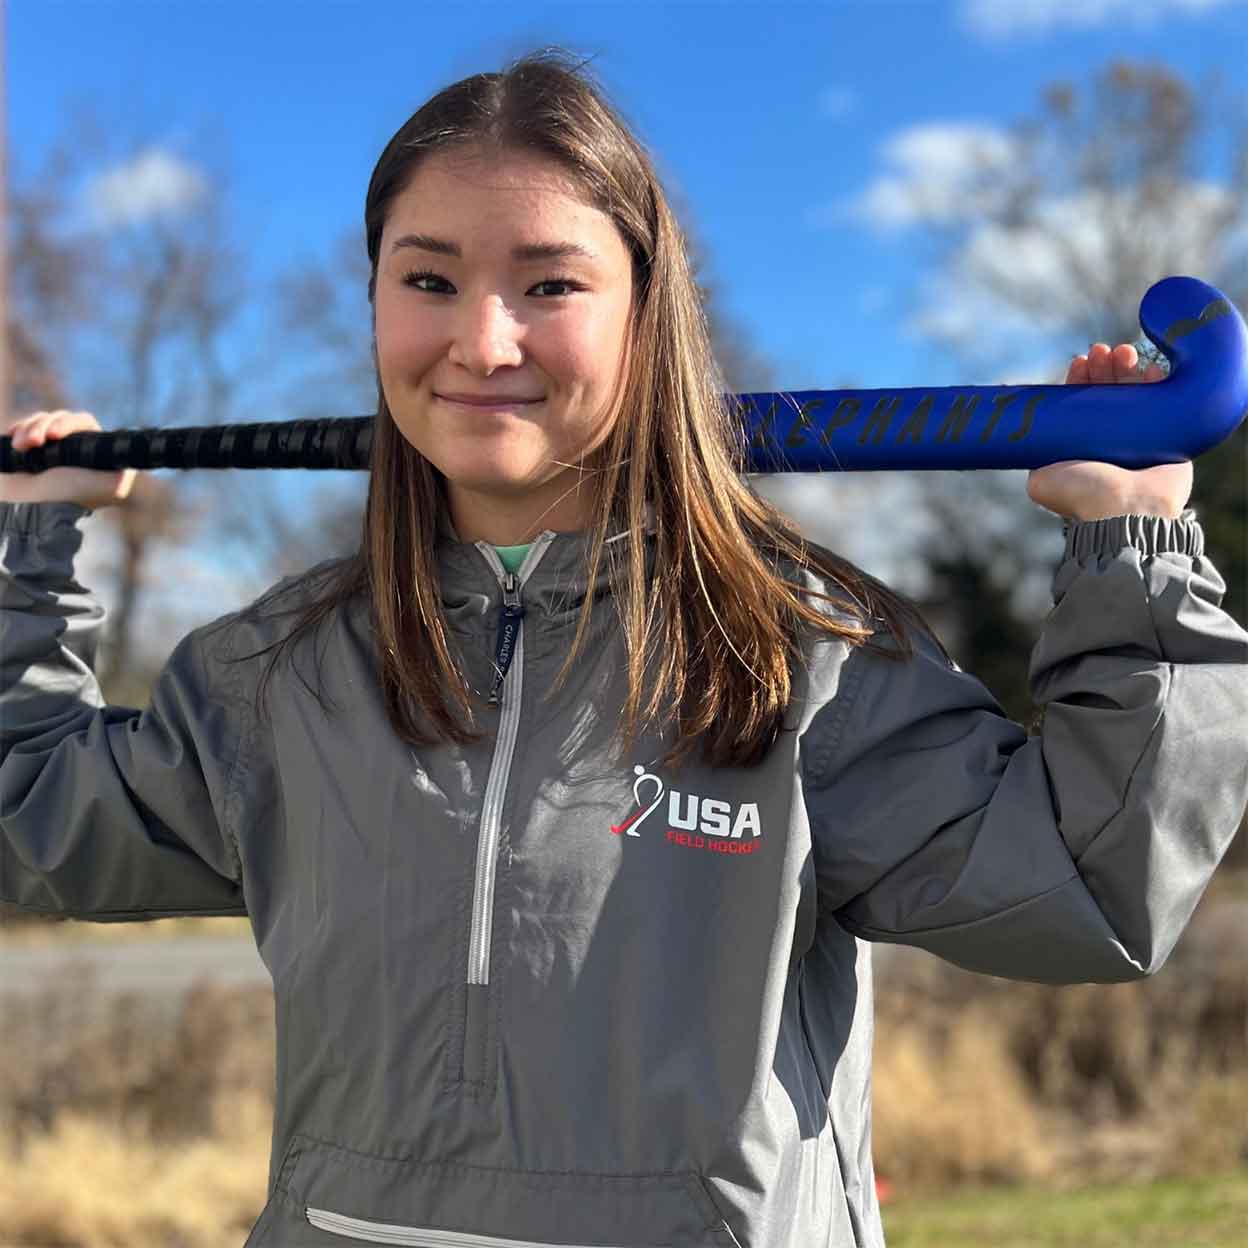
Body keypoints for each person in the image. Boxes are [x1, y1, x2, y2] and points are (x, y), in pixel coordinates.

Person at [1, 47, 1244, 1248]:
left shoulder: (799, 657)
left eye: (550, 285)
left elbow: (1093, 888)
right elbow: (31, 822)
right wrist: (28, 557)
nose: (483, 343)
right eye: (427, 280)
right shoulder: (277, 671)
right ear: (373, 298)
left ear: (648, 315)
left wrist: (1132, 552)